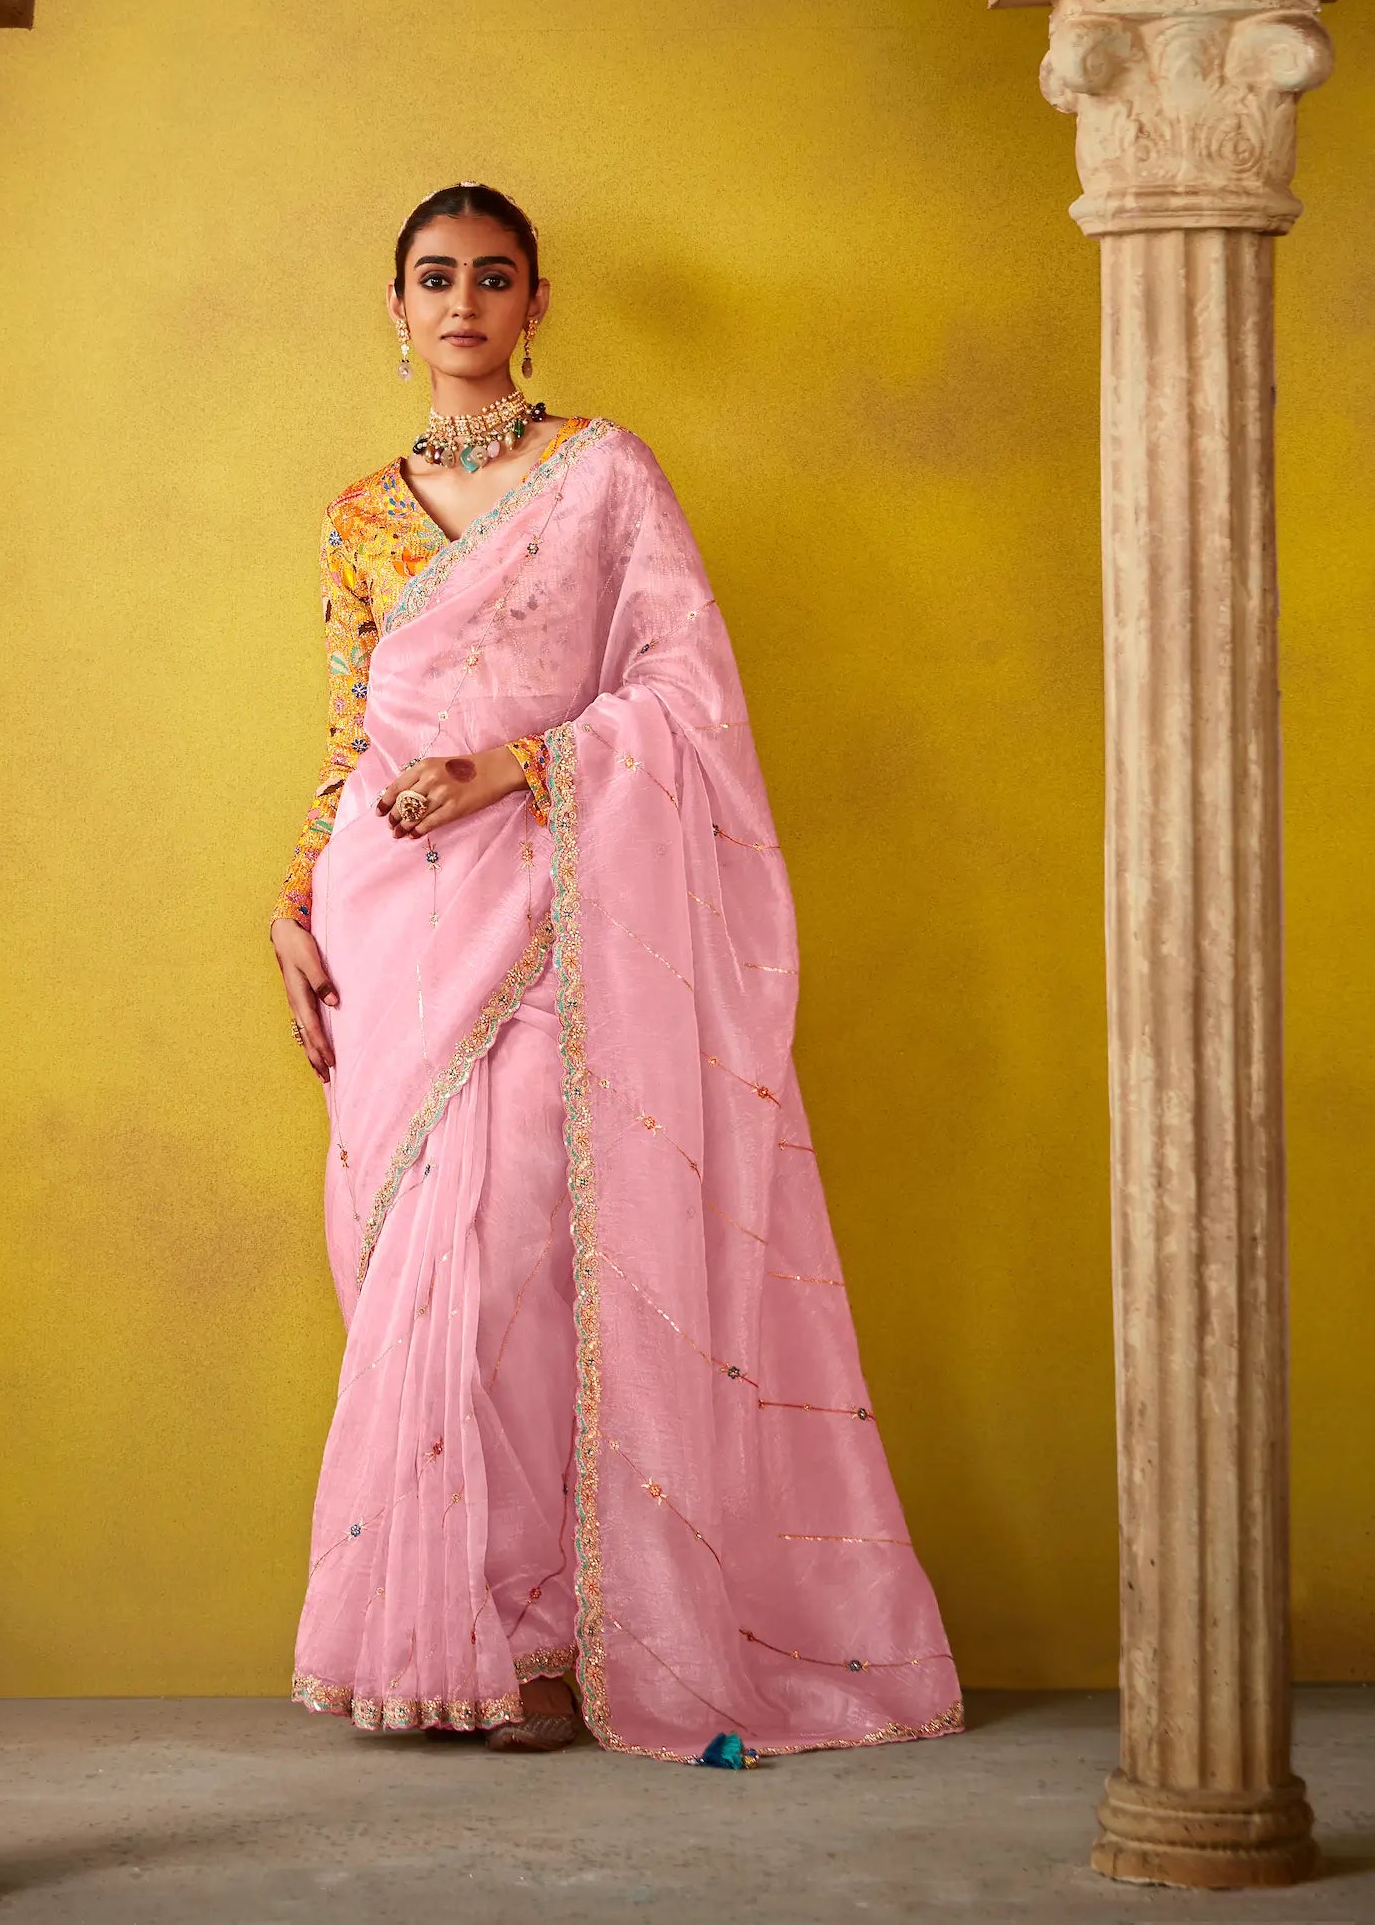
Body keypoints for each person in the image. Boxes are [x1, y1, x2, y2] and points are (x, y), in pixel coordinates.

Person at [270, 182, 962, 1760]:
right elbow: (349, 737)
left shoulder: (602, 475)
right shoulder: (359, 516)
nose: (461, 302)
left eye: (491, 276)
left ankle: (545, 1643)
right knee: (408, 1273)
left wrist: (516, 764)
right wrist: (295, 898)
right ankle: (438, 1636)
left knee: (519, 1264)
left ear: (534, 303)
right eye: (433, 277)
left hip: (559, 907)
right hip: (393, 921)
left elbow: (686, 693)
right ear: (395, 307)